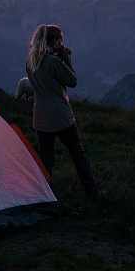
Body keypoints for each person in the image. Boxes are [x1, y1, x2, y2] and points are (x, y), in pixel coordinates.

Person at [25, 24, 100, 198]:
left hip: (41, 118)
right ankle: (92, 192)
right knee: (78, 154)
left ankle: (44, 195)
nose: (62, 44)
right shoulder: (53, 62)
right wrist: (66, 59)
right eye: (60, 41)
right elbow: (72, 81)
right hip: (60, 117)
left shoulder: (30, 60)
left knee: (46, 159)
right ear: (54, 42)